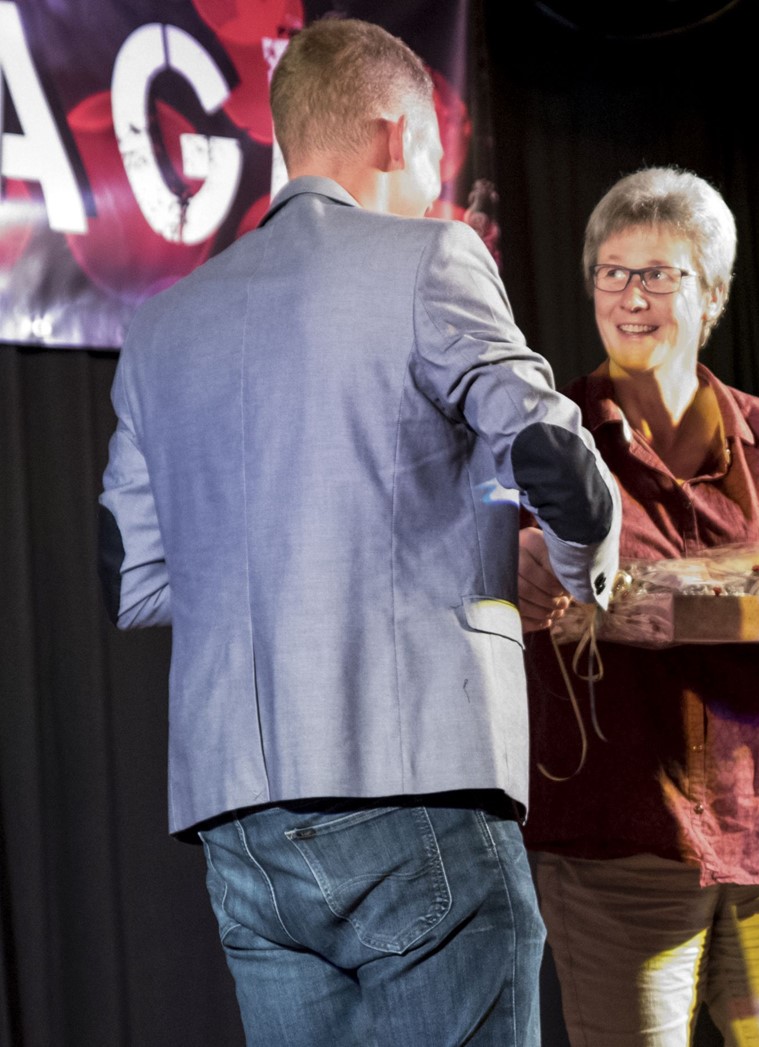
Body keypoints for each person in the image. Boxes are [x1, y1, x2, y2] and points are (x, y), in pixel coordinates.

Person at [97, 18, 620, 1047]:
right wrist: (579, 573)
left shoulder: (160, 324)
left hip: (240, 820)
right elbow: (557, 460)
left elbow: (135, 579)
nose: (432, 187)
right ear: (395, 135)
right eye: (432, 158)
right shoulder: (433, 258)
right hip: (413, 783)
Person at [517, 167, 759, 1047]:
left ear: (716, 295)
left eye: (660, 274)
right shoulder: (549, 440)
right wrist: (516, 572)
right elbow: (499, 587)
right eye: (612, 273)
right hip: (620, 856)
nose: (631, 297)